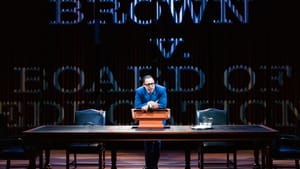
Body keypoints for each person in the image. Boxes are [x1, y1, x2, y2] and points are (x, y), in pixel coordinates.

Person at [134, 75, 167, 169]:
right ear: (144, 85)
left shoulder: (161, 89)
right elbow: (137, 106)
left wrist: (148, 106)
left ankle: (155, 165)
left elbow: (163, 105)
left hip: (159, 119)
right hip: (146, 120)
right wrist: (149, 104)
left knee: (157, 142)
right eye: (148, 84)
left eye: (152, 83)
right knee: (147, 141)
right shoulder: (139, 91)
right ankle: (148, 165)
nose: (151, 86)